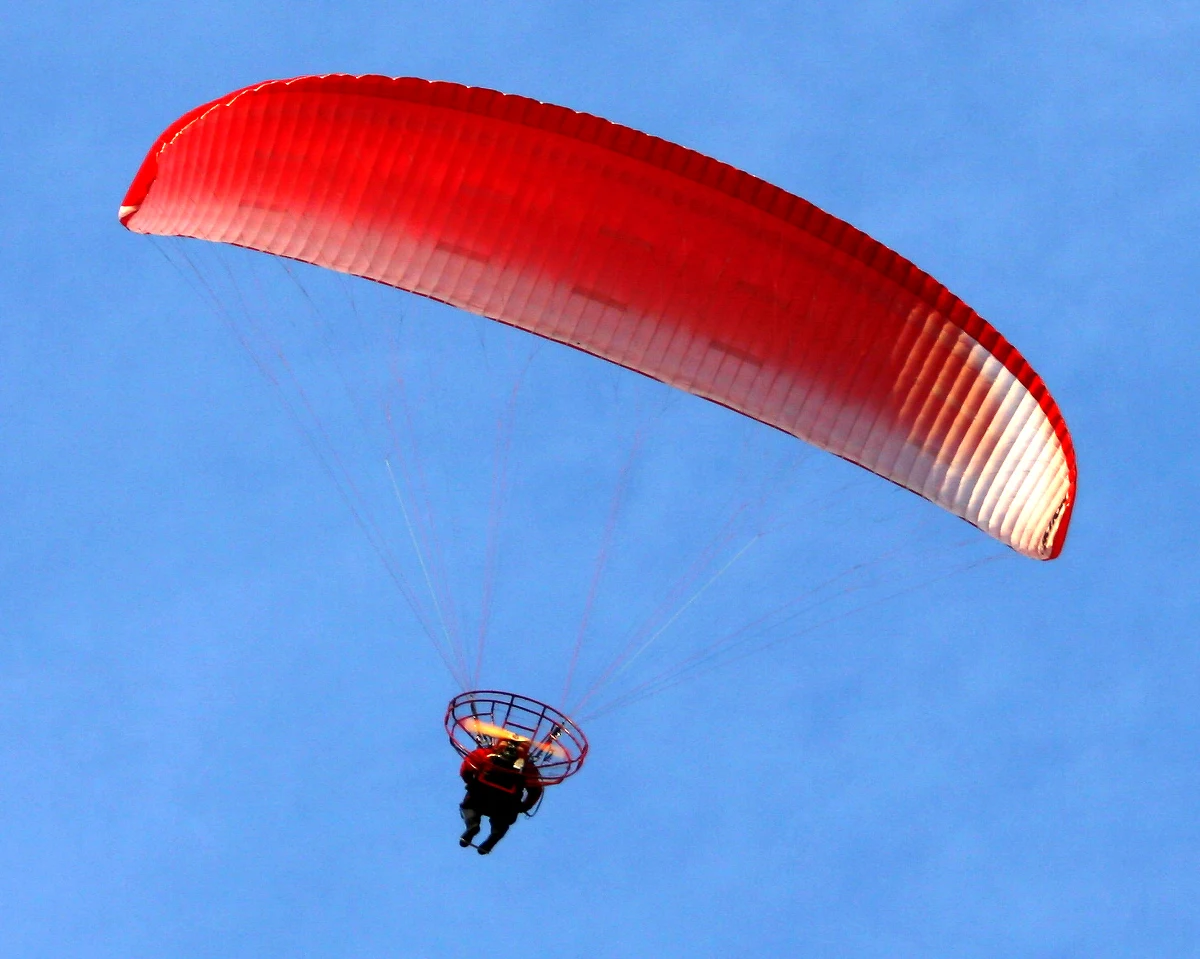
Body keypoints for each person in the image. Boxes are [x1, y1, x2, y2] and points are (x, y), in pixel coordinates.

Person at [458, 738, 543, 854]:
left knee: (469, 807)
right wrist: (524, 806)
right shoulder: (529, 768)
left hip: (480, 795)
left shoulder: (484, 753)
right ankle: (495, 836)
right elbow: (535, 790)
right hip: (506, 804)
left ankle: (472, 826)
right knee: (503, 820)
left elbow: (466, 769)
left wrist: (470, 782)